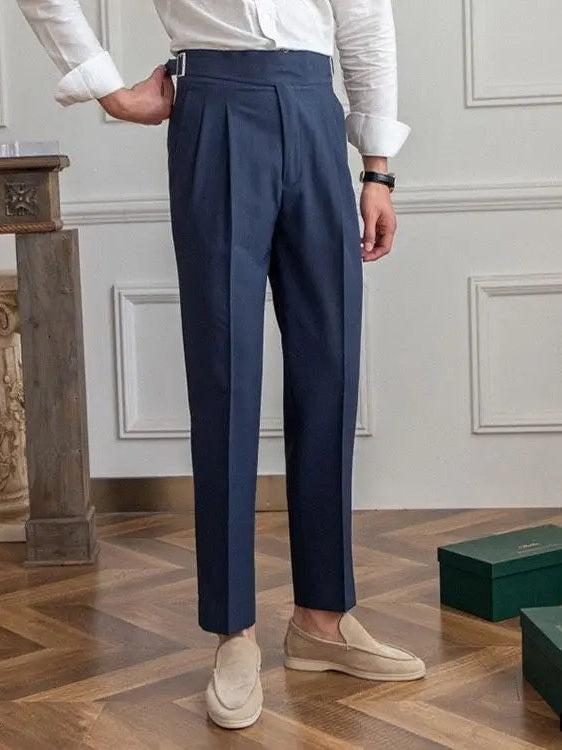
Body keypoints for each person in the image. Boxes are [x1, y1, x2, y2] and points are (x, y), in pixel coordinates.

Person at [15, 0, 426, 730]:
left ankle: (323, 621)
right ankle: (234, 633)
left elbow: (365, 18)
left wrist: (377, 171)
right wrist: (106, 85)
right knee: (225, 375)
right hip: (216, 108)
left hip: (316, 108)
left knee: (329, 373)